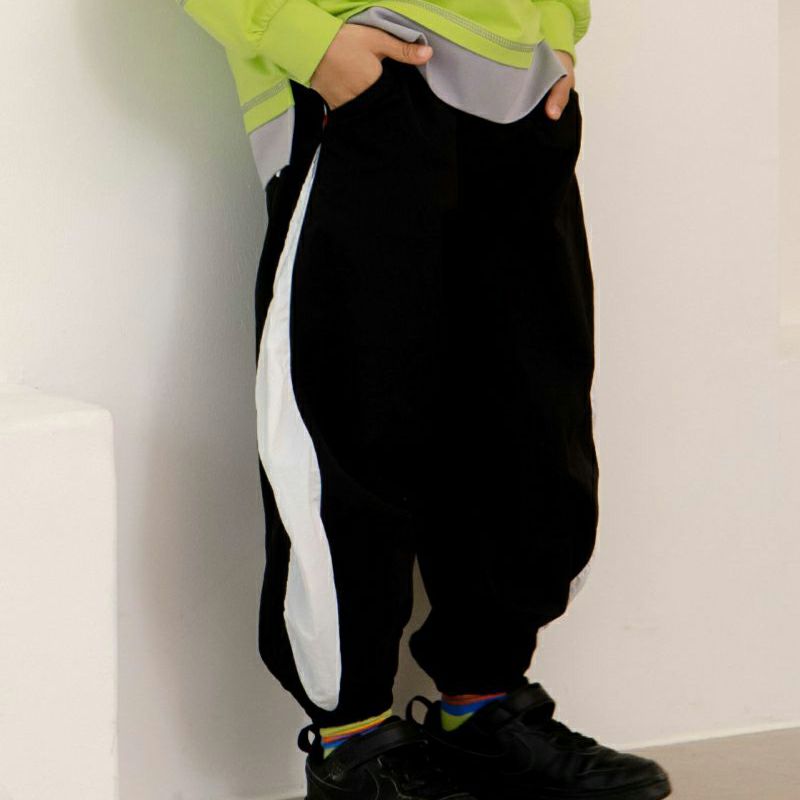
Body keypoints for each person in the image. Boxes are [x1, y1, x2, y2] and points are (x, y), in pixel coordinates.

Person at [176, 2, 672, 799]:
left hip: (521, 89)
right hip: (361, 79)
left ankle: (481, 709)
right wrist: (304, 38)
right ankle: (353, 744)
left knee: (527, 419)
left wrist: (558, 31)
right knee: (354, 419)